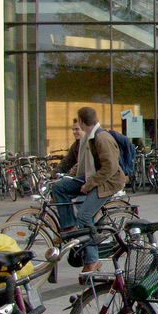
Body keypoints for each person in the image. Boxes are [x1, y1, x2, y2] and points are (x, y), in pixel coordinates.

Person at [51, 106, 127, 273]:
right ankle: (69, 227)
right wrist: (59, 175)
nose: (75, 128)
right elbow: (75, 162)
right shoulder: (88, 138)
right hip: (93, 177)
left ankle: (93, 260)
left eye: (77, 122)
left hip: (108, 182)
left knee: (85, 216)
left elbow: (110, 168)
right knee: (58, 188)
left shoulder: (102, 138)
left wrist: (89, 184)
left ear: (82, 121)